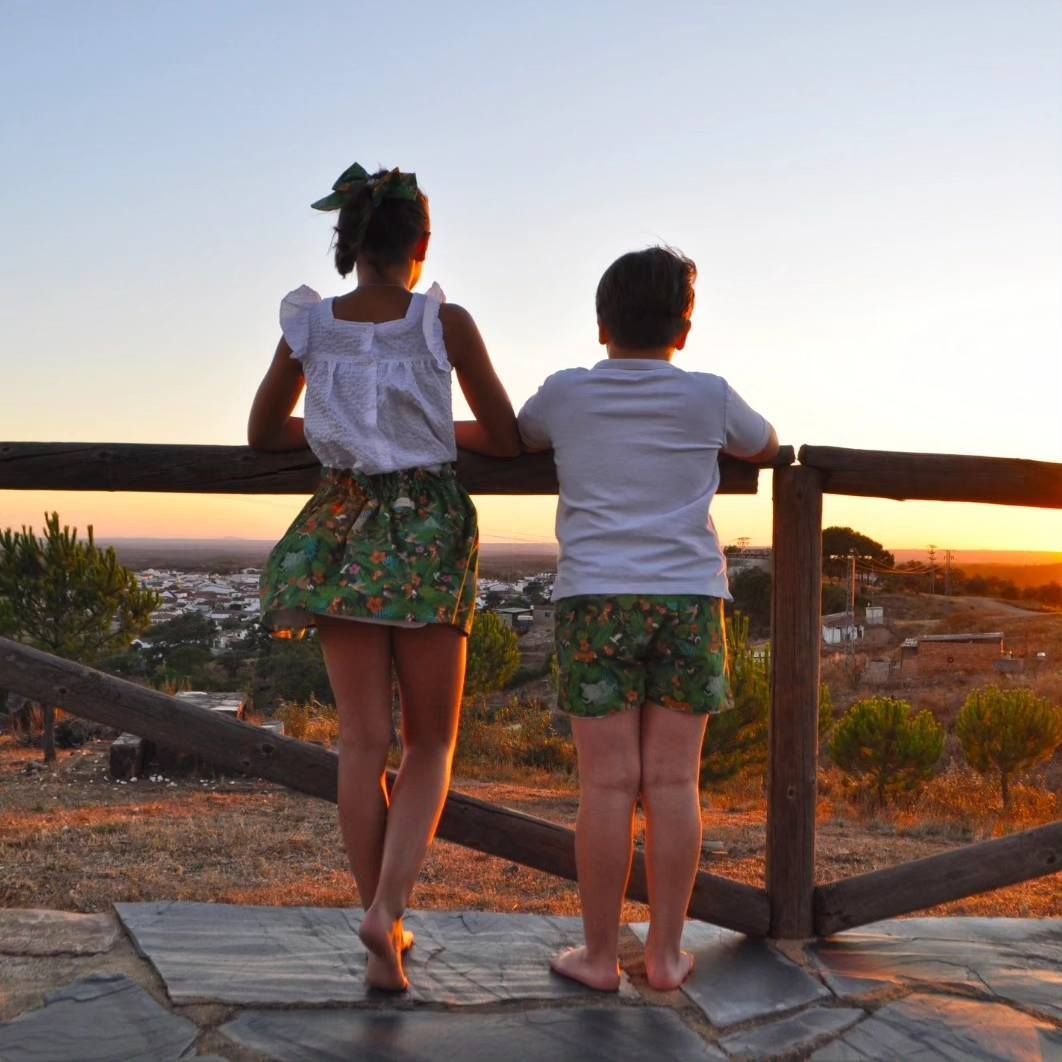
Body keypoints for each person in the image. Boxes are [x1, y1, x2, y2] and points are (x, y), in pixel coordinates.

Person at [249, 163, 520, 991]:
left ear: (351, 244)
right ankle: (388, 911)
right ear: (422, 244)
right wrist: (433, 431)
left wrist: (338, 432)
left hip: (344, 522)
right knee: (432, 739)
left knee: (360, 741)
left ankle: (381, 927)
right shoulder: (446, 323)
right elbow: (506, 437)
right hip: (428, 526)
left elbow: (264, 433)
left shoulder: (311, 327)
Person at [518, 246, 778, 992]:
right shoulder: (707, 394)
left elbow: (523, 433)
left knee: (605, 786)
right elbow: (764, 442)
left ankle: (600, 958)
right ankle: (665, 956)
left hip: (595, 597)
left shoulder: (569, 393)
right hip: (689, 599)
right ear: (684, 330)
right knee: (673, 783)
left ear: (601, 326)